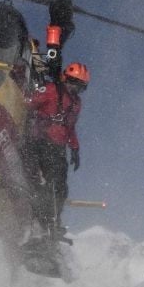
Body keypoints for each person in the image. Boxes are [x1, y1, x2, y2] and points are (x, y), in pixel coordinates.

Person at [27, 62, 88, 238]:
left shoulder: (76, 104)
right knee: (45, 183)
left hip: (58, 149)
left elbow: (70, 127)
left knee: (60, 187)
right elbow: (28, 103)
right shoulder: (51, 90)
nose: (75, 89)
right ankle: (40, 218)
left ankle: (52, 221)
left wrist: (75, 149)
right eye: (73, 84)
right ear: (65, 79)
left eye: (79, 87)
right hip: (40, 142)